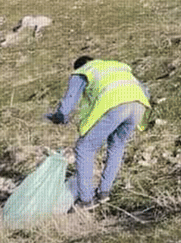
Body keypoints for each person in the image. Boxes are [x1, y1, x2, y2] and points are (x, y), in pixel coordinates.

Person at [47, 55, 151, 209]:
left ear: (79, 66)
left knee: (84, 148)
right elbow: (145, 91)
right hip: (139, 105)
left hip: (115, 105)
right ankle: (104, 192)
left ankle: (86, 200)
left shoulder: (83, 72)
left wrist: (58, 117)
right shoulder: (117, 66)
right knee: (117, 145)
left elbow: (67, 105)